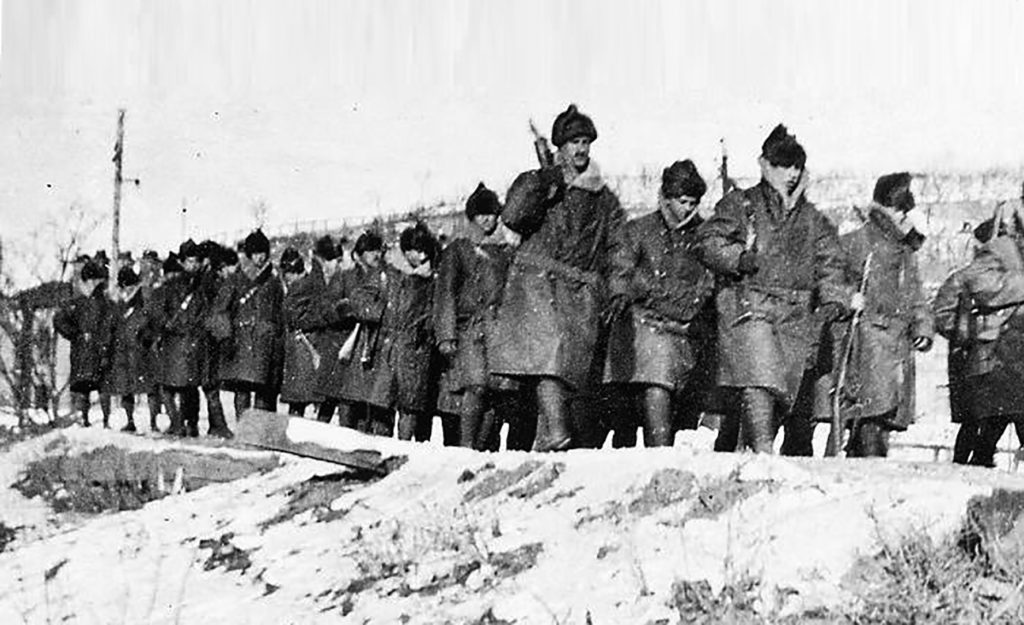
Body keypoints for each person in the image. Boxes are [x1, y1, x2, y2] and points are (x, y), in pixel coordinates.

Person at [697, 124, 848, 454]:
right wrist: (738, 258)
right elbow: (708, 241)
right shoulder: (742, 205)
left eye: (797, 167)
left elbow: (831, 264)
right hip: (750, 307)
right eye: (783, 166)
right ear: (766, 166)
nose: (791, 174)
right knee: (760, 378)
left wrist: (834, 300)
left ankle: (744, 450)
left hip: (795, 317)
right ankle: (763, 452)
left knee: (779, 393)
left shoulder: (813, 219)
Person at [490, 104, 627, 451]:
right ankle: (554, 432)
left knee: (567, 372)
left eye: (585, 142)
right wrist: (544, 182)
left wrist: (618, 286)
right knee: (548, 360)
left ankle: (549, 436)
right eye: (573, 142)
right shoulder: (542, 181)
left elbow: (619, 245)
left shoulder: (604, 198)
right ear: (560, 147)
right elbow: (512, 216)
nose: (580, 149)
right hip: (537, 284)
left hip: (580, 291)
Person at [605, 160, 716, 447]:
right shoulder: (639, 230)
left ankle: (662, 450)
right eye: (682, 201)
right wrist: (623, 292)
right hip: (644, 325)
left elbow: (709, 283)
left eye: (693, 203)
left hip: (685, 328)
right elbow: (620, 269)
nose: (688, 209)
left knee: (678, 405)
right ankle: (658, 452)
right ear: (666, 199)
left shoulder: (704, 236)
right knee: (655, 381)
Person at [834, 173, 934, 457]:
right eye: (900, 208)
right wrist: (848, 298)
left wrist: (923, 327)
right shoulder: (856, 242)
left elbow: (915, 294)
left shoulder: (906, 251)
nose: (904, 215)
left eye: (906, 209)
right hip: (868, 343)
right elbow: (829, 281)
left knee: (881, 417)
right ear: (887, 208)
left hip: (897, 345)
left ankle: (863, 463)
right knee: (872, 416)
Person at [434, 182, 523, 449]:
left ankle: (483, 448)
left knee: (495, 390)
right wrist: (446, 335)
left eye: (492, 214)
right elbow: (446, 292)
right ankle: (466, 445)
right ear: (472, 217)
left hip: (497, 328)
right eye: (482, 214)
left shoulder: (504, 252)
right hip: (468, 329)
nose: (488, 219)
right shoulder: (458, 250)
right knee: (476, 385)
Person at [933, 213, 1024, 467]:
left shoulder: (1004, 276)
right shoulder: (975, 277)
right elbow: (943, 314)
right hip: (988, 356)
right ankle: (972, 463)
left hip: (997, 356)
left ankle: (975, 461)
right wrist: (969, 333)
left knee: (994, 416)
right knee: (986, 418)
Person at [342, 223, 441, 441]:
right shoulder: (387, 274)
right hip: (387, 351)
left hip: (415, 352)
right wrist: (381, 313)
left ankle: (403, 453)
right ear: (405, 251)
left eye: (423, 250)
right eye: (415, 250)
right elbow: (358, 299)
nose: (421, 255)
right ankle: (381, 451)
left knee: (409, 409)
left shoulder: (433, 280)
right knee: (381, 410)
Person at [211, 229, 284, 419]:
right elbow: (220, 311)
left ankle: (259, 431)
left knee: (264, 393)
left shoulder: (274, 281)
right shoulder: (236, 280)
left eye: (263, 253)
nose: (260, 257)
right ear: (249, 255)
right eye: (256, 253)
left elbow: (280, 311)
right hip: (241, 342)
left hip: (266, 344)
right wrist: (225, 337)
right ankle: (243, 428)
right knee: (242, 391)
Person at [317, 231, 385, 433]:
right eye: (370, 250)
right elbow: (326, 310)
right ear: (358, 255)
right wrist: (348, 309)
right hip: (345, 347)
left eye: (378, 250)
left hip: (371, 347)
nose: (376, 255)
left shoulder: (384, 278)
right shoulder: (345, 277)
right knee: (345, 403)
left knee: (365, 404)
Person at [149, 241, 208, 437]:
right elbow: (158, 311)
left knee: (189, 387)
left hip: (191, 340)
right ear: (182, 262)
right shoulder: (171, 287)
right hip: (174, 341)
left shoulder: (203, 286)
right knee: (171, 385)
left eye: (196, 261)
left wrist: (193, 328)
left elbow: (205, 313)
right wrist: (168, 324)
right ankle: (178, 422)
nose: (193, 265)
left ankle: (190, 424)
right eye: (189, 261)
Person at [53, 260, 113, 427]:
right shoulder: (77, 302)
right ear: (87, 281)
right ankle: (84, 419)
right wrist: (75, 334)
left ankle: (104, 420)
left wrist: (104, 343)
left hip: (97, 349)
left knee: (100, 385)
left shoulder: (104, 303)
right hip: (83, 349)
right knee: (83, 386)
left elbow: (109, 326)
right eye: (93, 280)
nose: (96, 284)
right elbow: (59, 320)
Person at [101, 266, 151, 432]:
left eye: (129, 286)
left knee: (146, 387)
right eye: (125, 286)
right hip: (122, 351)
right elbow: (111, 327)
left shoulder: (142, 301)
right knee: (125, 388)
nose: (127, 290)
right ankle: (130, 420)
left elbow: (147, 322)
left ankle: (153, 421)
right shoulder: (118, 306)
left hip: (138, 349)